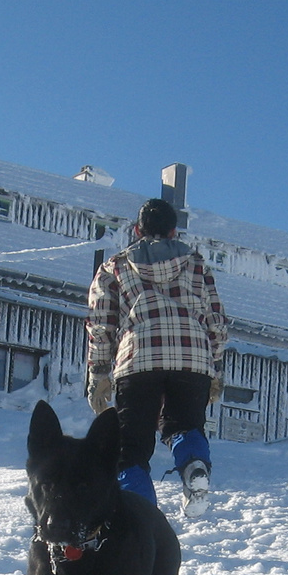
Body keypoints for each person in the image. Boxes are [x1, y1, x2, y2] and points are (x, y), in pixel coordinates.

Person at [87, 197, 229, 517]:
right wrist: (216, 368)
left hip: (138, 359)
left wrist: (98, 373)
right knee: (185, 425)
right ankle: (193, 464)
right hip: (193, 358)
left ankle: (142, 514)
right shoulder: (197, 264)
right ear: (174, 231)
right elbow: (216, 320)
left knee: (130, 446)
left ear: (137, 230)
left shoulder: (114, 266)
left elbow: (101, 324)